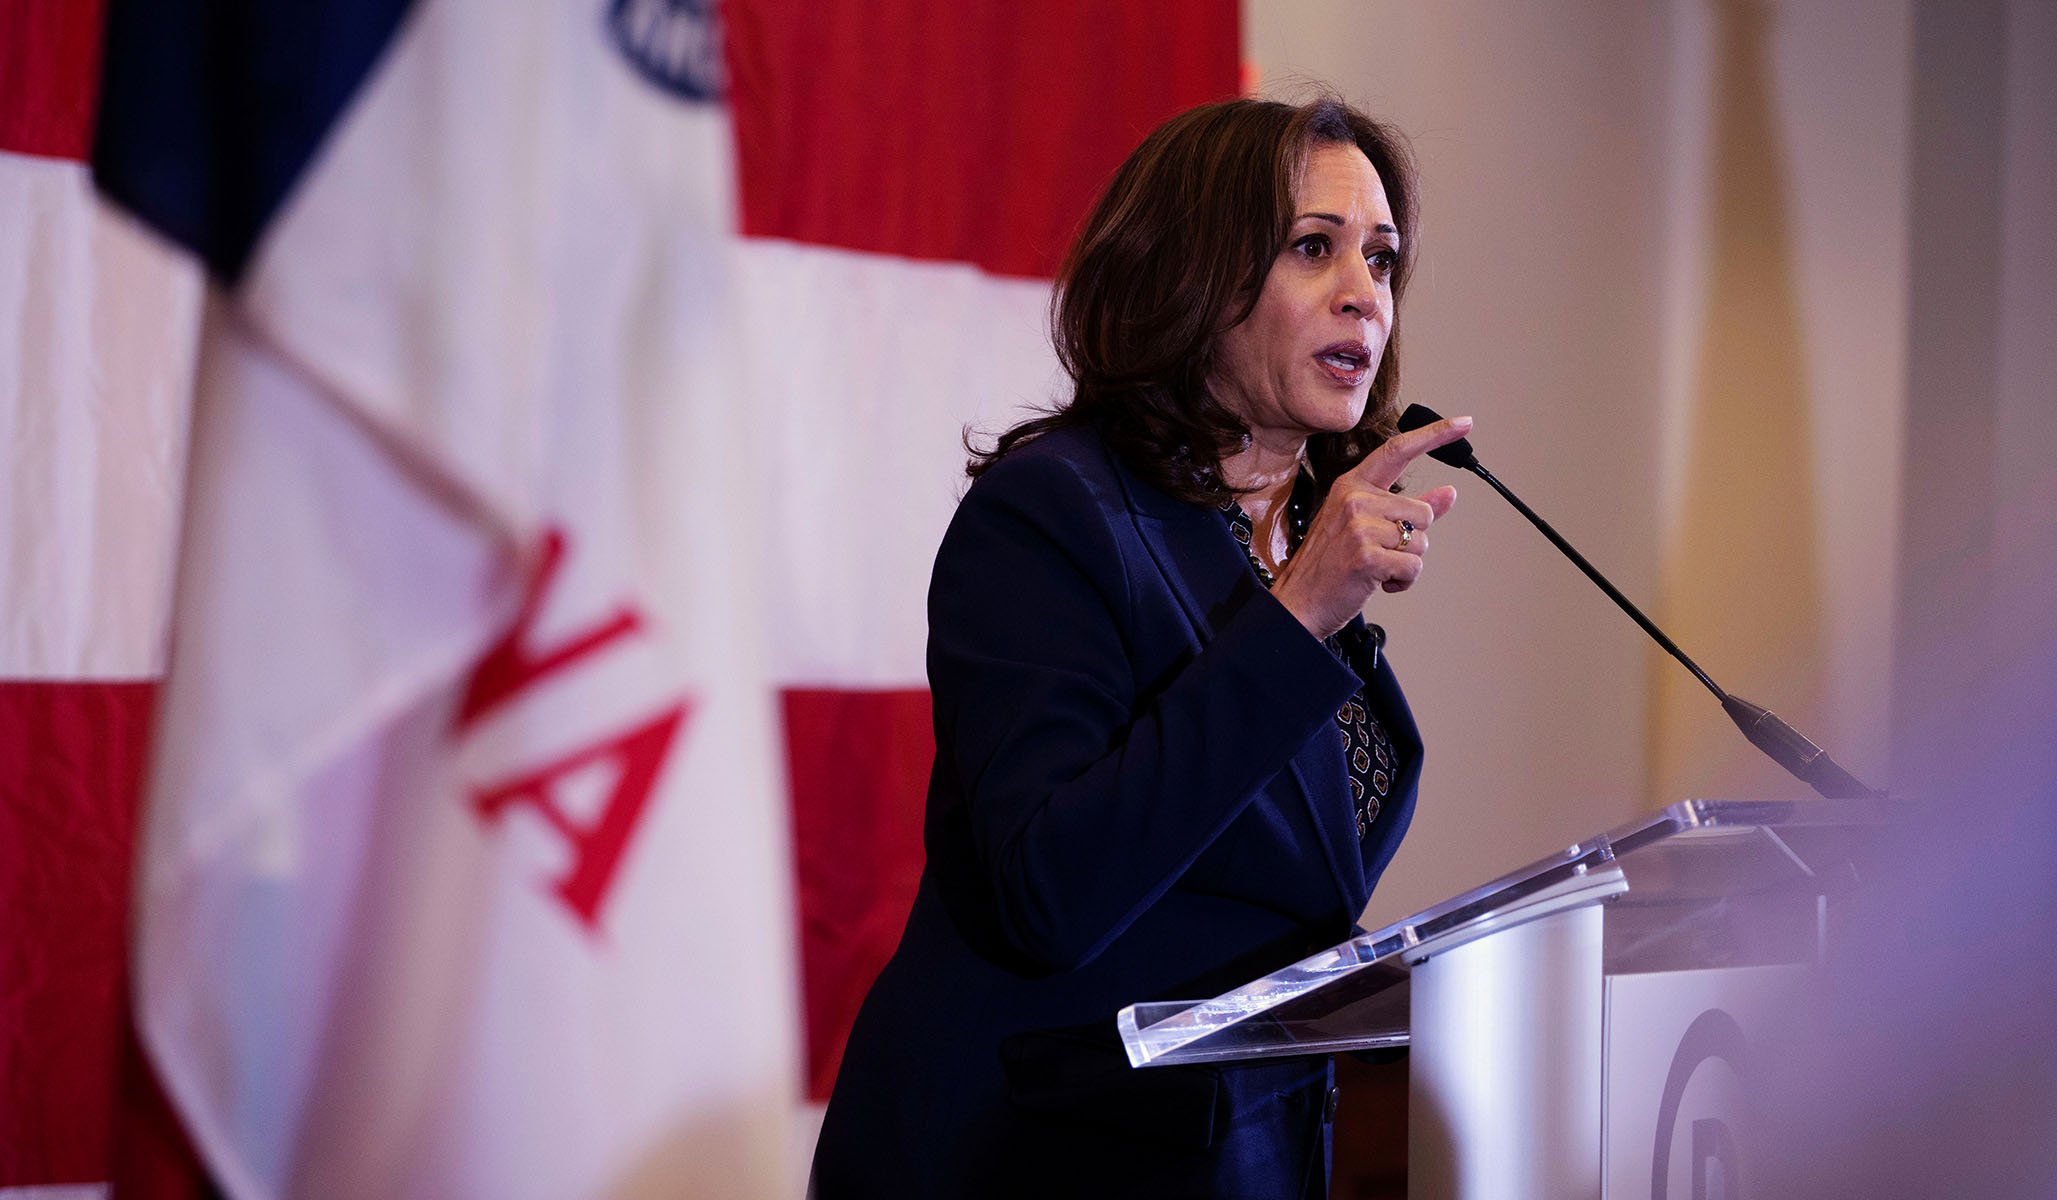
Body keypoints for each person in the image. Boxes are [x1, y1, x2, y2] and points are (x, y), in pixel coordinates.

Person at [811, 94, 1474, 1199]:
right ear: (1191, 278)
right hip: (1025, 1164)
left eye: (1381, 257)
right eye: (1313, 247)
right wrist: (1297, 616)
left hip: (1231, 1159)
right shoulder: (1052, 515)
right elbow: (1051, 892)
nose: (1365, 292)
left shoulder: (1283, 553)